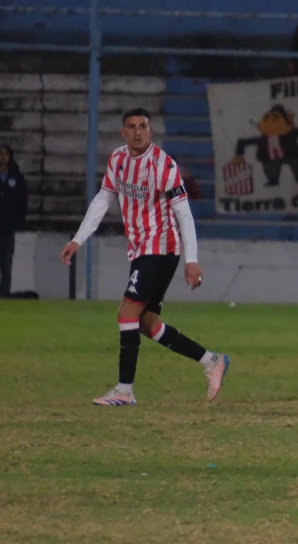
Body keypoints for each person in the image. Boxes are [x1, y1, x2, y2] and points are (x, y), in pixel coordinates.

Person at [58, 109, 230, 406]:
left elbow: (184, 214)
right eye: (131, 127)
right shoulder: (118, 160)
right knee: (147, 324)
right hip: (141, 249)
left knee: (127, 312)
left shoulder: (164, 166)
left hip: (161, 248)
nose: (138, 132)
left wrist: (192, 259)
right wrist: (77, 239)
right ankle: (211, 361)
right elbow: (103, 199)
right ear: (123, 132)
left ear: (151, 130)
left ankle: (125, 391)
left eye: (143, 126)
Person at [0, 143, 28, 298]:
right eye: (0, 153)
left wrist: (17, 221)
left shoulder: (16, 177)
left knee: (6, 267)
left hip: (6, 229)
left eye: (6, 154)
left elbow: (22, 201)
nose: (3, 156)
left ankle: (3, 297)